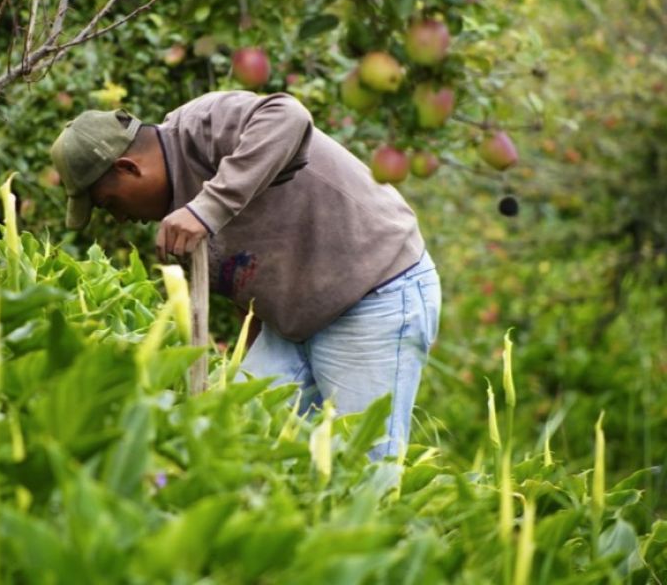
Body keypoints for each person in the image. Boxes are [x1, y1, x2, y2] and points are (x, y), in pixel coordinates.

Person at [50, 90, 441, 460]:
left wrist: (209, 207)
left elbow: (288, 116)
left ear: (128, 167)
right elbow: (247, 289)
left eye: (109, 203)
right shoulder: (178, 222)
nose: (119, 218)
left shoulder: (201, 125)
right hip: (292, 325)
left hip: (373, 294)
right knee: (239, 437)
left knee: (365, 463)